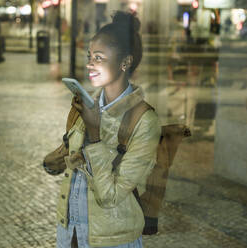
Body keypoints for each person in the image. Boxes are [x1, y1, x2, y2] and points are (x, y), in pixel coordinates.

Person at [44, 11, 161, 248]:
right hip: (71, 232)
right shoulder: (88, 107)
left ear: (125, 62)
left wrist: (94, 135)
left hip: (112, 239)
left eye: (99, 57)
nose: (89, 64)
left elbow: (110, 197)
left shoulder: (144, 121)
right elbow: (59, 165)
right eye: (89, 56)